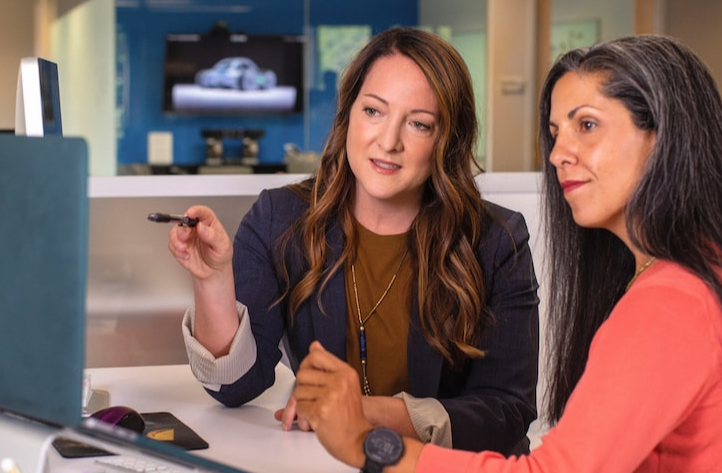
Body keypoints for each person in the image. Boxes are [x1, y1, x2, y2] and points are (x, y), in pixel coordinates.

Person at [291, 34, 722, 472]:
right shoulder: (709, 273)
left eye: (587, 125)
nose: (559, 152)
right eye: (556, 131)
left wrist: (366, 444)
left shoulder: (674, 302)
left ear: (664, 137)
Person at [168, 27, 540, 455]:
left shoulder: (496, 240)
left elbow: (506, 411)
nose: (388, 142)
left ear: (446, 140)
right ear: (348, 115)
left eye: (418, 124)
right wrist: (213, 281)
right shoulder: (279, 219)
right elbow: (235, 386)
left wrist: (365, 412)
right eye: (374, 111)